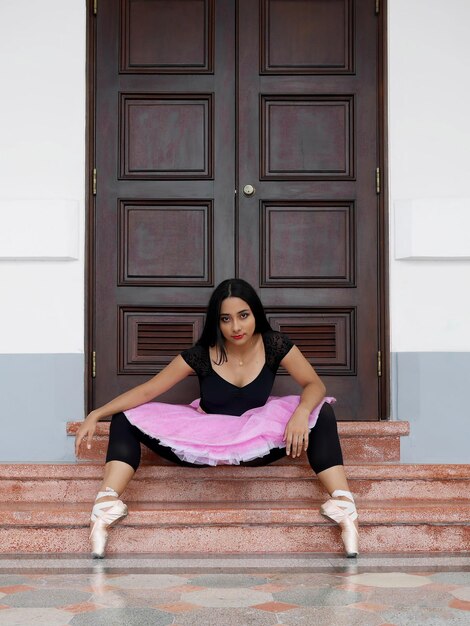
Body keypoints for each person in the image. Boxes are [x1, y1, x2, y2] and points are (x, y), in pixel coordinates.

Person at [75, 279, 359, 559]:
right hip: (204, 444)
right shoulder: (201, 354)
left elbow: (314, 384)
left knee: (321, 410)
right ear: (217, 321)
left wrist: (299, 413)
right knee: (125, 417)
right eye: (226, 319)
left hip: (256, 440)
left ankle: (344, 509)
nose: (236, 327)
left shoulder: (274, 344)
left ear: (255, 314)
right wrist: (98, 413)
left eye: (243, 316)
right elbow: (149, 389)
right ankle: (106, 506)